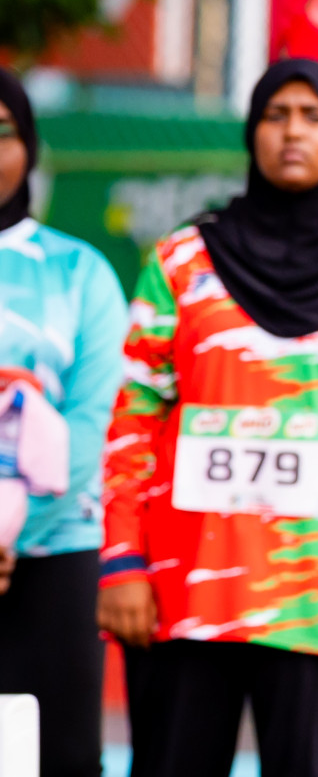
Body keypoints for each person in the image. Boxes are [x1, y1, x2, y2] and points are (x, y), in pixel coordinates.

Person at [97, 60, 318, 777]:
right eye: (276, 115)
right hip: (184, 591)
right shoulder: (181, 260)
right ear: (252, 132)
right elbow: (133, 421)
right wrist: (122, 560)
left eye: (314, 116)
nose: (293, 132)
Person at [0, 69, 128, 777]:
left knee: (57, 757)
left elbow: (92, 421)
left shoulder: (80, 272)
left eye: (3, 132)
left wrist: (7, 535)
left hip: (56, 552)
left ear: (30, 146)